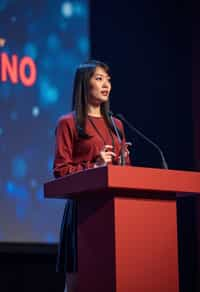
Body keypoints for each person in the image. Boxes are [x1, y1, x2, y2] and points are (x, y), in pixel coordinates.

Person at [53, 60, 131, 292]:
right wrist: (93, 166)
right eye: (98, 78)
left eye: (108, 79)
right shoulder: (68, 123)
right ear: (84, 85)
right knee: (79, 285)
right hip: (83, 212)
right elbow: (60, 171)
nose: (106, 84)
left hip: (116, 209)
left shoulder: (117, 124)